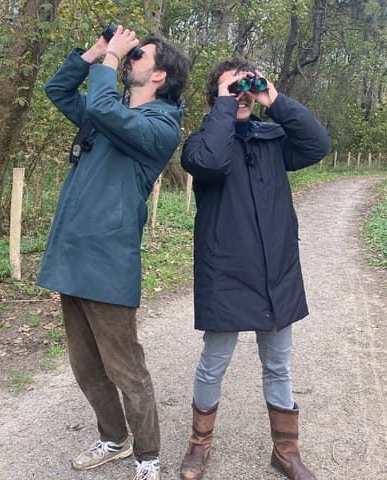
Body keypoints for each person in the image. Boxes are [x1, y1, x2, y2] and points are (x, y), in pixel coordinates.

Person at [36, 24, 189, 480]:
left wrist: (111, 61)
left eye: (140, 55)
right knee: (85, 365)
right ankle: (114, 437)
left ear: (159, 75)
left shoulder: (161, 127)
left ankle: (148, 458)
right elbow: (58, 88)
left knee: (126, 368)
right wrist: (95, 51)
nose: (131, 57)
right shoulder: (109, 113)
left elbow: (101, 104)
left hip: (108, 261)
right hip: (71, 255)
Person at [178, 57, 331, 480]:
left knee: (279, 365)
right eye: (231, 90)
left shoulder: (273, 139)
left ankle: (286, 451)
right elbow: (209, 162)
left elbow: (318, 144)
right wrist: (225, 107)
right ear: (215, 99)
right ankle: (198, 444)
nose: (241, 96)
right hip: (225, 272)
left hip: (275, 270)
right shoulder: (199, 144)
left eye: (246, 89)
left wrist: (273, 98)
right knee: (214, 362)